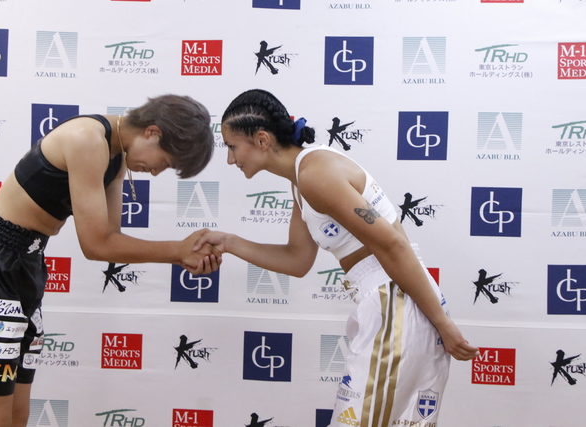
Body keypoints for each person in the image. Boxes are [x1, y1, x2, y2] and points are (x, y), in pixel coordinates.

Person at [0, 94, 221, 427]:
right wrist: (178, 251)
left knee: (17, 415)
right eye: (166, 162)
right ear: (152, 132)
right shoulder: (87, 138)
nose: (157, 172)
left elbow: (111, 239)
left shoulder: (116, 155)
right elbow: (96, 245)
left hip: (25, 265)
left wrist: (181, 253)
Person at [192, 89, 479, 427]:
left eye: (232, 147)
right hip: (395, 301)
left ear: (262, 139)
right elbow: (297, 260)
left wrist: (442, 323)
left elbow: (394, 246)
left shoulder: (315, 174)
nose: (230, 159)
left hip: (396, 301)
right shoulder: (303, 178)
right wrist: (229, 242)